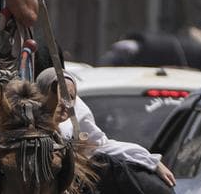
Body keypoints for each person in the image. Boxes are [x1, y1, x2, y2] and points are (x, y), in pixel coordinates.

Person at [36, 69, 176, 187]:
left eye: (70, 97)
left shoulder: (76, 118)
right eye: (59, 94)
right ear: (42, 94)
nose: (65, 103)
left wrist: (151, 161)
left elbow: (103, 146)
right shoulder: (29, 124)